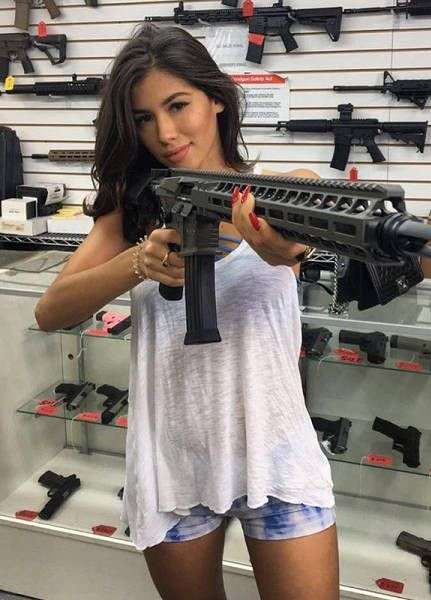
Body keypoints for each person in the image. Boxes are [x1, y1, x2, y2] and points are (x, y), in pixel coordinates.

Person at [35, 24, 339, 600]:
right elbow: (50, 312)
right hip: (172, 460)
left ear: (216, 98)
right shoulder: (134, 212)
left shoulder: (278, 191)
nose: (165, 133)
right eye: (144, 118)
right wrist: (138, 261)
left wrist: (290, 249)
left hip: (276, 454)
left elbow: (306, 237)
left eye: (178, 106)